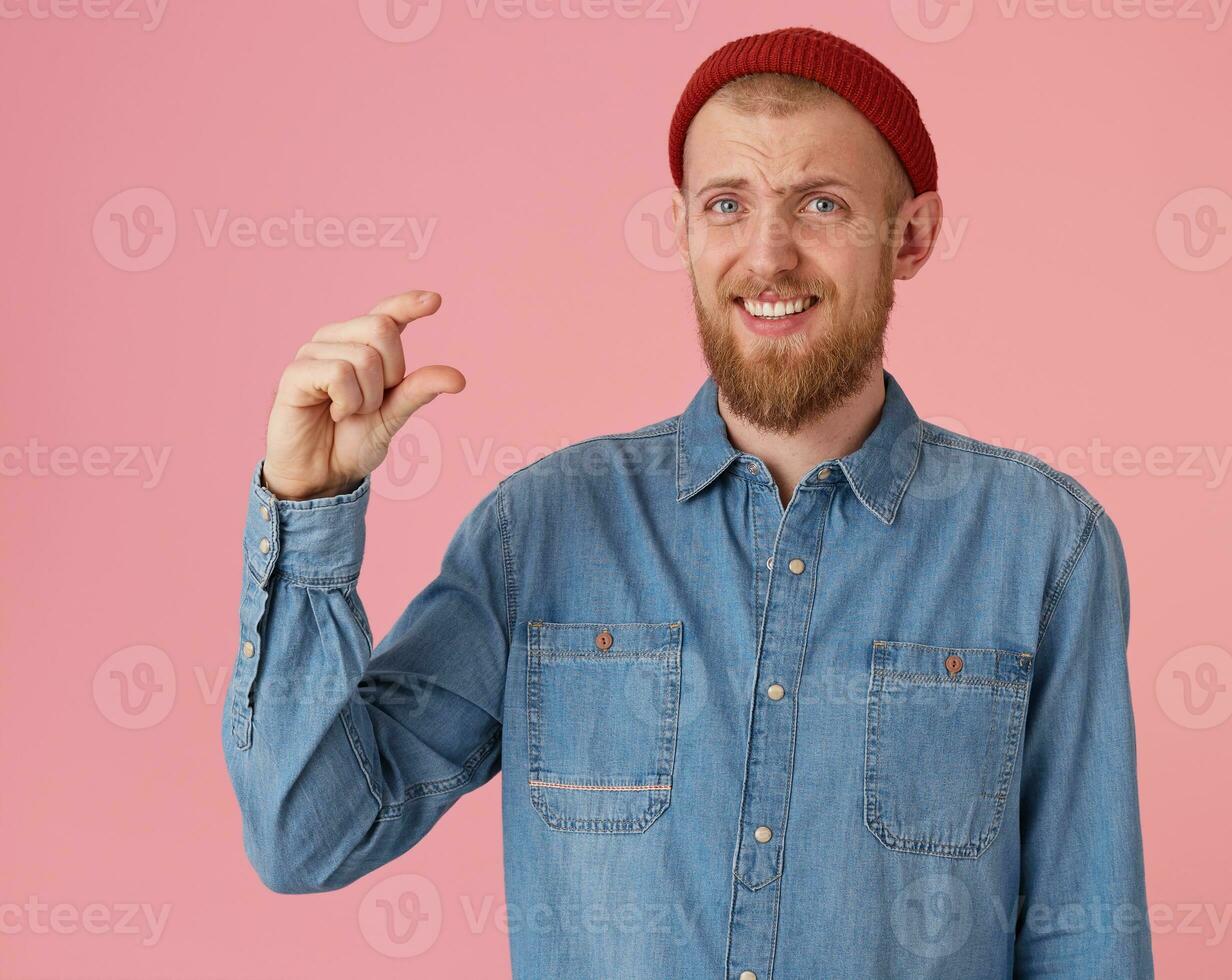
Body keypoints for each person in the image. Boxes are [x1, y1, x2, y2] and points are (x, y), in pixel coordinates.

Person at [222, 26, 1153, 979]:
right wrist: (310, 506)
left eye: (821, 204)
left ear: (909, 235)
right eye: (726, 205)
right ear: (682, 229)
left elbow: (1087, 940)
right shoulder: (538, 534)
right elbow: (309, 836)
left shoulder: (1044, 546)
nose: (768, 256)